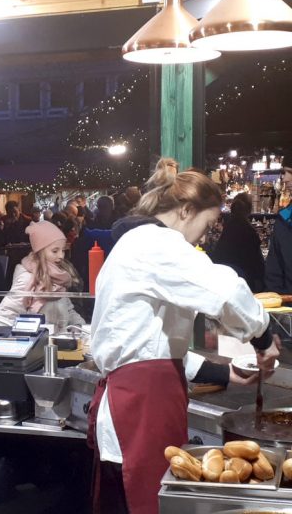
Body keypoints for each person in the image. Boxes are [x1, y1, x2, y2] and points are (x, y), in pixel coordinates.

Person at [89, 167, 279, 514]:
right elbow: (226, 290)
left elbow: (149, 342)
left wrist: (223, 373)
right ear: (186, 211)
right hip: (139, 406)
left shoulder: (136, 245)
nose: (203, 238)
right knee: (145, 502)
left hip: (137, 397)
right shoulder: (156, 244)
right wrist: (263, 337)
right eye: (206, 227)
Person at [0, 220, 84, 327]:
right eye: (55, 251)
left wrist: (80, 327)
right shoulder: (28, 278)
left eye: (63, 250)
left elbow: (69, 310)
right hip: (38, 342)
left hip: (57, 341)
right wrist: (32, 332)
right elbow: (5, 313)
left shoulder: (58, 277)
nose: (61, 256)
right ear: (40, 251)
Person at [212, 193, 265, 292]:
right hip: (246, 282)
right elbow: (258, 263)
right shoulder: (249, 231)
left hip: (223, 280)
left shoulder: (227, 228)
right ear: (249, 210)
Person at [265, 151, 292, 293]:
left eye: (290, 172)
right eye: (284, 172)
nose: (285, 178)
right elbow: (273, 272)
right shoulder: (284, 219)